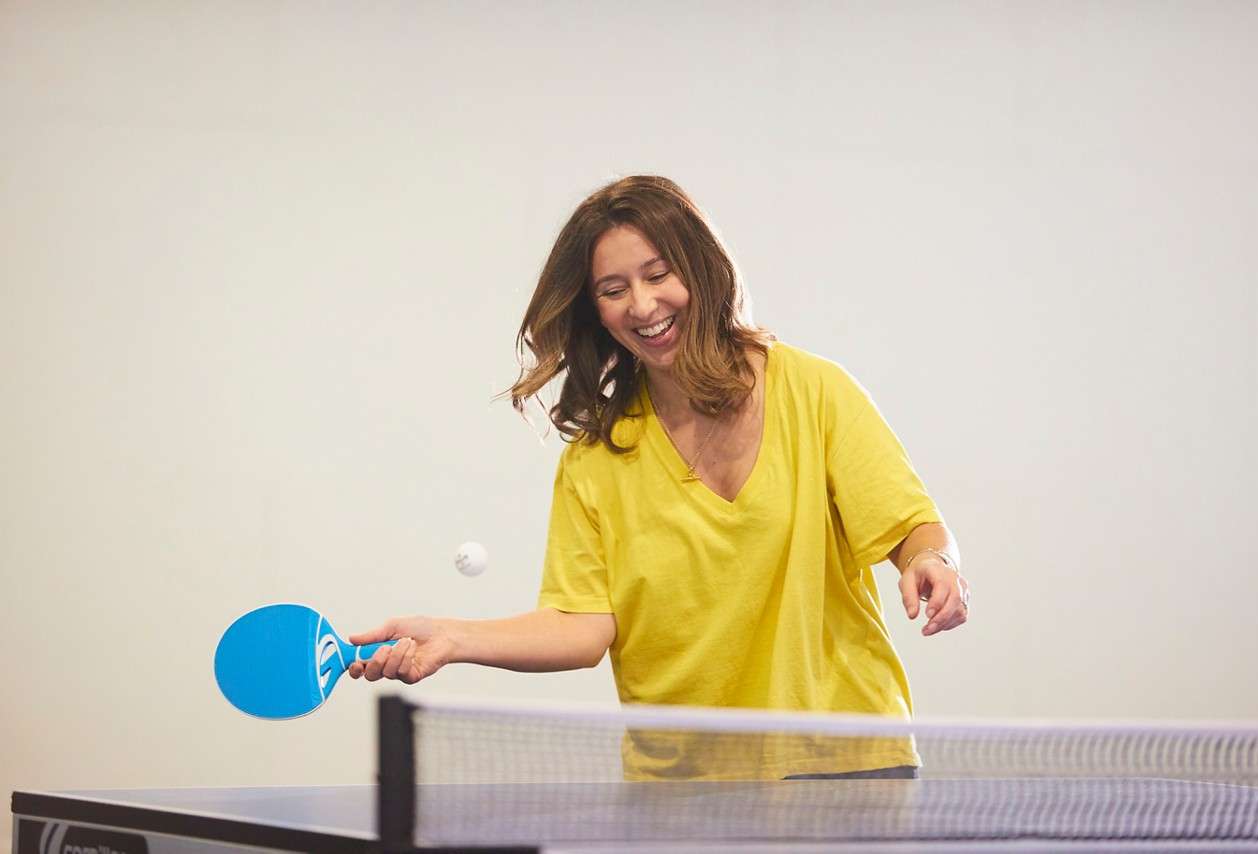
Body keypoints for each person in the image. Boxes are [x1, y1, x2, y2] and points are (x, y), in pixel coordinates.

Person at [348, 175, 970, 780]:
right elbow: (581, 628)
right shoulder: (597, 459)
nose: (642, 305)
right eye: (613, 289)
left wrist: (933, 561)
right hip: (685, 786)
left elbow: (911, 526)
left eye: (657, 274)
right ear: (595, 310)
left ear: (700, 270)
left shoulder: (815, 391)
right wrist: (450, 637)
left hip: (846, 762)